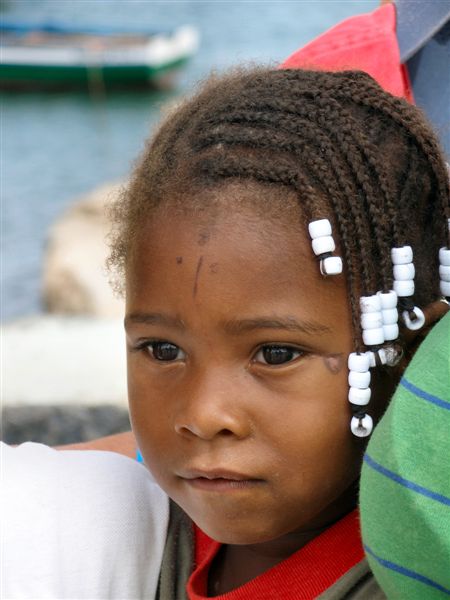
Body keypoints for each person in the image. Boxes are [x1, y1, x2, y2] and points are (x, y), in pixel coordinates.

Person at [4, 66, 449, 598]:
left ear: (412, 352)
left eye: (276, 353)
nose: (202, 416)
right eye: (163, 350)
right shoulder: (120, 517)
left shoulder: (411, 578)